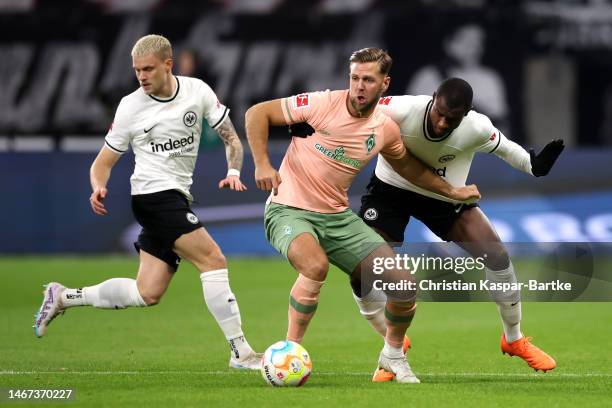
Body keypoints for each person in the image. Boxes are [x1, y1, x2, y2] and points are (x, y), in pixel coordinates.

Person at [245, 48, 481, 384]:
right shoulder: (320, 104)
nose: (358, 86)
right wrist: (262, 163)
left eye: (367, 80)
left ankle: (393, 357)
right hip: (288, 209)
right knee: (314, 266)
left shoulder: (384, 128)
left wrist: (452, 192)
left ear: (384, 83)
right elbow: (257, 113)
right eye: (354, 77)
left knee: (403, 286)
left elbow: (409, 168)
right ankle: (290, 352)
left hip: (337, 218)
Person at [33, 34, 262, 370]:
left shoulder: (197, 91)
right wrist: (98, 186)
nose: (141, 76)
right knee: (213, 260)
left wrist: (233, 169)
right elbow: (102, 162)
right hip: (153, 197)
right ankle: (241, 352)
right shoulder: (130, 106)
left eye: (148, 69)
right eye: (136, 70)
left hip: (177, 197)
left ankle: (64, 296)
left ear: (168, 65)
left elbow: (231, 138)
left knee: (147, 292)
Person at [352, 78, 563, 380]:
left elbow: (507, 148)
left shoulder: (475, 127)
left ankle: (514, 339)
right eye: (438, 112)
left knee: (498, 256)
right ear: (433, 98)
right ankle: (390, 342)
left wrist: (534, 165)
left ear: (465, 114)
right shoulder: (400, 108)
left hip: (444, 196)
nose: (440, 123)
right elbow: (354, 113)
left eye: (451, 119)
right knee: (362, 268)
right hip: (389, 191)